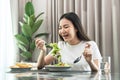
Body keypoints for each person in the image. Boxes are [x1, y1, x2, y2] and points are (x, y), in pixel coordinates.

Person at [35, 12, 102, 72]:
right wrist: (43, 51)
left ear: (76, 28)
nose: (62, 31)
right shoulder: (60, 46)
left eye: (66, 27)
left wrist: (90, 61)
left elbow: (97, 71)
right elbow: (40, 66)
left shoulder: (90, 45)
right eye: (60, 28)